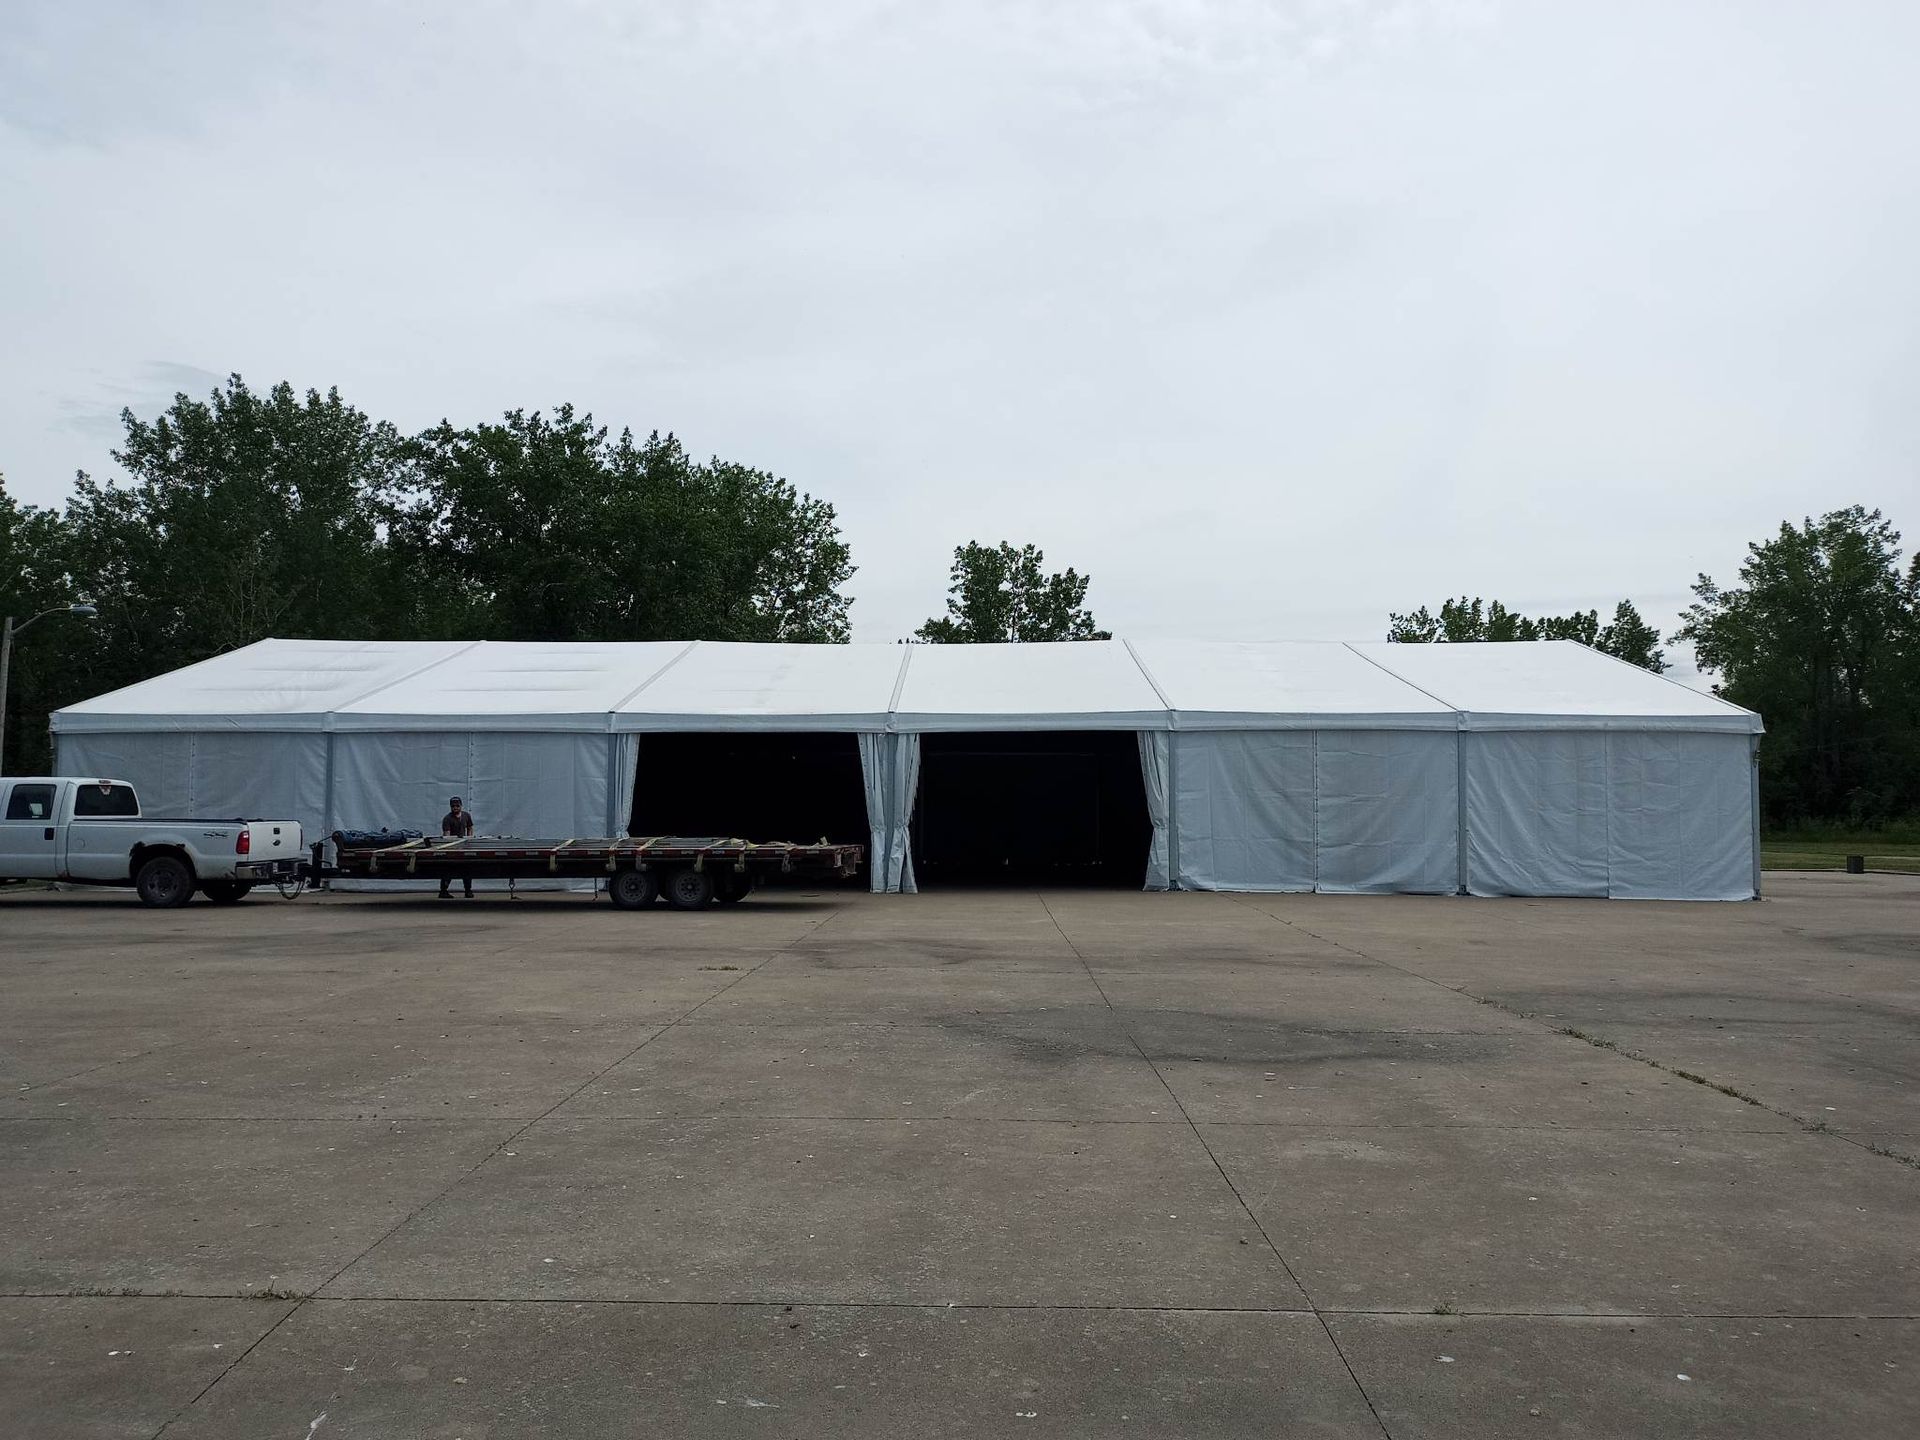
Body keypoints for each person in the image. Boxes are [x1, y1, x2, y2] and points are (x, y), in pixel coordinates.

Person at [438, 796, 475, 899]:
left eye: (457, 806)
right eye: (453, 806)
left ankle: (468, 891)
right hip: (452, 848)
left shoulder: (466, 816)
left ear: (461, 806)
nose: (455, 808)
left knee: (467, 870)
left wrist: (469, 839)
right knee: (448, 869)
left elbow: (470, 827)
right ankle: (443, 891)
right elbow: (447, 835)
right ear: (450, 807)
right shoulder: (447, 818)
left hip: (464, 847)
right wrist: (451, 846)